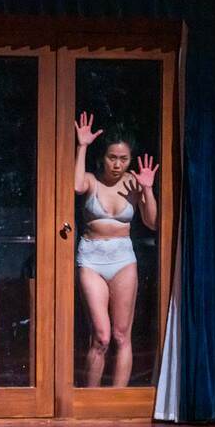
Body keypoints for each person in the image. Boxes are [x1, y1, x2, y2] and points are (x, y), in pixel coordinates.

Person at [74, 111, 159, 387]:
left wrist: (147, 190)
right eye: (112, 157)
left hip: (123, 259)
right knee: (101, 335)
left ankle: (117, 402)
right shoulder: (91, 179)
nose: (117, 164)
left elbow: (153, 222)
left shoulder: (134, 185)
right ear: (103, 157)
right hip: (91, 258)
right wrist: (83, 145)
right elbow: (75, 186)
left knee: (122, 335)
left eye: (123, 159)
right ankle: (90, 402)